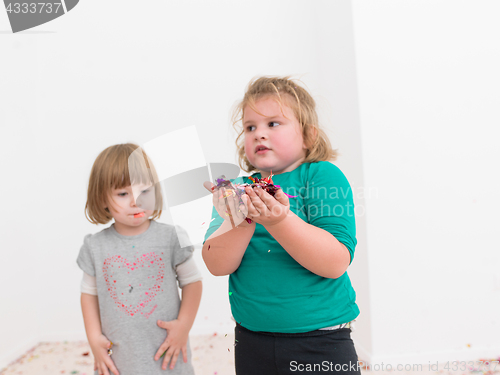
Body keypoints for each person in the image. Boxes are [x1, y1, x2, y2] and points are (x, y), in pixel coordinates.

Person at [202, 76, 360, 375]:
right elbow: (217, 264)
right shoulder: (236, 189)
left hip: (322, 338)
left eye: (273, 123)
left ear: (308, 136)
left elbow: (335, 262)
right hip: (251, 338)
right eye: (250, 127)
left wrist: (279, 221)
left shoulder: (321, 176)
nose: (259, 133)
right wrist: (242, 220)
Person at [78, 143, 202, 375]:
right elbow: (88, 294)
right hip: (120, 358)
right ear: (102, 198)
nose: (136, 201)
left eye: (144, 191)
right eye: (123, 194)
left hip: (167, 352)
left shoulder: (171, 237)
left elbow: (192, 282)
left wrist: (183, 326)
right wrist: (94, 338)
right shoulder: (95, 246)